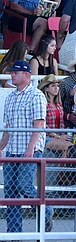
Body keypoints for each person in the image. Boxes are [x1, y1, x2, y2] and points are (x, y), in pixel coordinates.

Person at [0, 60, 49, 232]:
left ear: (26, 75)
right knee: (11, 190)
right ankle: (14, 230)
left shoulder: (36, 95)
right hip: (13, 149)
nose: (12, 75)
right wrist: (1, 150)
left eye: (15, 72)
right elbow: (8, 128)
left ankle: (45, 210)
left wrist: (31, 149)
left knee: (23, 185)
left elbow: (39, 124)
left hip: (29, 149)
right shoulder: (11, 97)